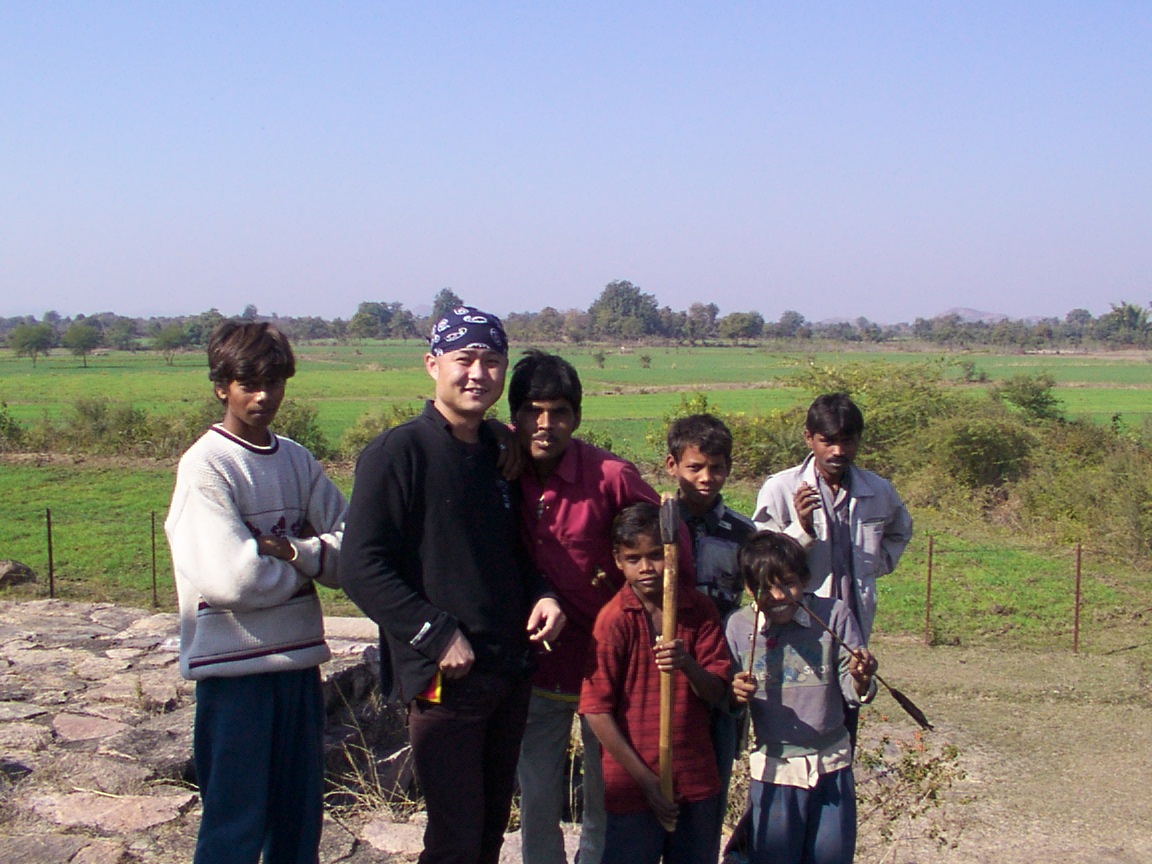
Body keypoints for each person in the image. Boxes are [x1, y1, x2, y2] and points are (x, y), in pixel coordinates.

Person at [339, 306, 566, 864]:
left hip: (507, 670)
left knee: (488, 831)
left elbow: (512, 551)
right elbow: (360, 566)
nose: (477, 374)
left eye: (491, 362)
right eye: (464, 359)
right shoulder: (399, 453)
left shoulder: (497, 451)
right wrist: (436, 634)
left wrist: (543, 593)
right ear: (432, 364)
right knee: (454, 840)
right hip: (446, 680)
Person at [165, 321, 347, 864]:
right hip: (234, 676)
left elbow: (355, 548)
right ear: (222, 386)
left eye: (274, 382)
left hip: (297, 667)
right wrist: (313, 560)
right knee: (234, 824)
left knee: (299, 819)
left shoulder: (296, 459)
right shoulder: (206, 466)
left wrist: (291, 551)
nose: (264, 396)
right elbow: (233, 580)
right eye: (249, 384)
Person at [510, 349, 672, 864]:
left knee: (607, 792)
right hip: (536, 665)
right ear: (514, 417)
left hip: (609, 666)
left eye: (558, 412)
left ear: (577, 417)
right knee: (536, 792)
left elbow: (669, 549)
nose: (545, 425)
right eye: (533, 412)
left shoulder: (611, 477)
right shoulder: (500, 468)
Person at [579, 502, 731, 864]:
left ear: (673, 554)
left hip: (694, 778)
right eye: (634, 559)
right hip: (632, 786)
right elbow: (596, 710)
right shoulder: (614, 620)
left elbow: (716, 690)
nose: (646, 568)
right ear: (618, 561)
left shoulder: (698, 610)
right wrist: (646, 781)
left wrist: (686, 664)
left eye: (656, 556)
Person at [727, 531, 878, 864]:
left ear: (805, 579)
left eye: (789, 584)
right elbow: (728, 700)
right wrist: (735, 694)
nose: (779, 596)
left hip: (832, 764)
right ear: (750, 589)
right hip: (775, 770)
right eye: (765, 588)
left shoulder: (833, 615)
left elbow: (852, 690)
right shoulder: (738, 628)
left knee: (831, 856)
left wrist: (861, 677)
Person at [752, 393, 913, 647]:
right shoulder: (781, 488)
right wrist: (802, 529)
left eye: (847, 441)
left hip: (855, 613)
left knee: (854, 668)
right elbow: (760, 560)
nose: (838, 451)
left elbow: (900, 531)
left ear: (859, 439)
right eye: (827, 441)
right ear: (809, 438)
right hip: (797, 614)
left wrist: (872, 566)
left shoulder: (878, 489)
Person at [664, 413, 756, 824]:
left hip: (720, 669)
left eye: (716, 468)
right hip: (664, 662)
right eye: (695, 467)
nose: (706, 478)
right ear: (673, 466)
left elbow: (755, 601)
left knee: (710, 780)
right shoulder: (656, 523)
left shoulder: (742, 532)